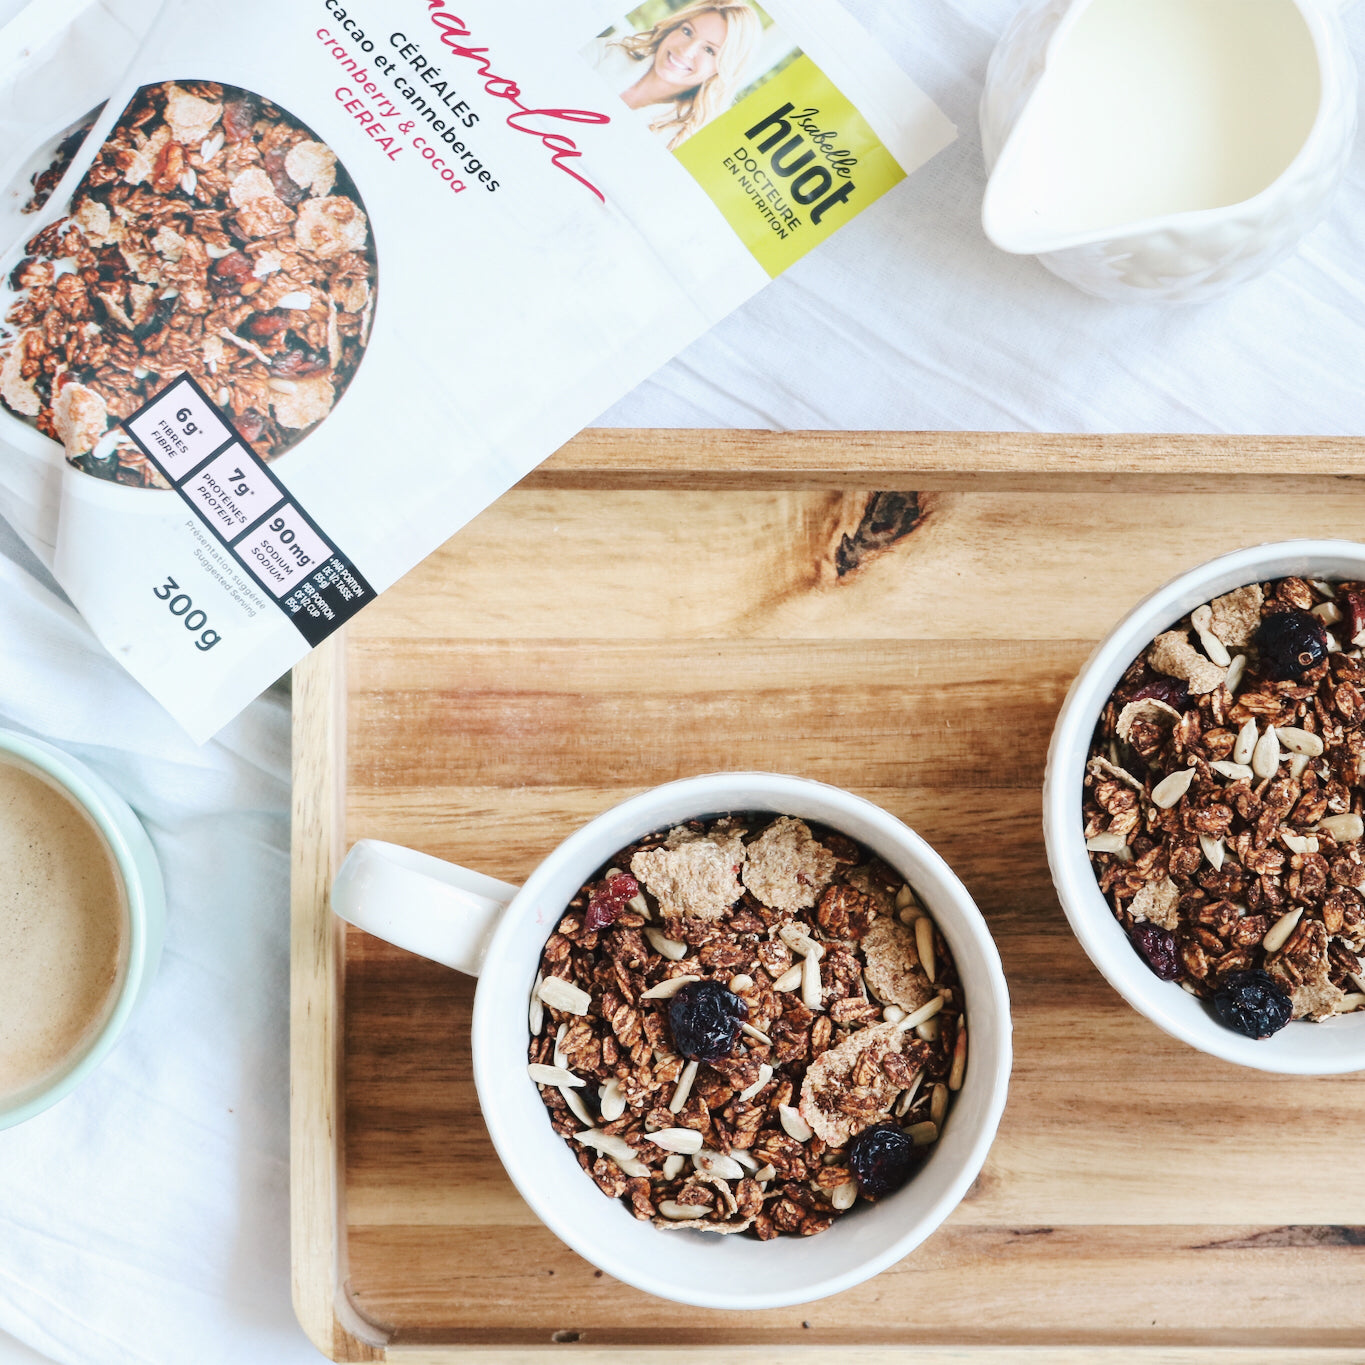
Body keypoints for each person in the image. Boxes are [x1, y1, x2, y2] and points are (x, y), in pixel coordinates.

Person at [599, 1, 761, 150]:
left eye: (709, 50)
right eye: (687, 31)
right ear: (673, 26)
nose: (686, 50)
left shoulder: (686, 140)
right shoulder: (610, 51)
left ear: (722, 69)